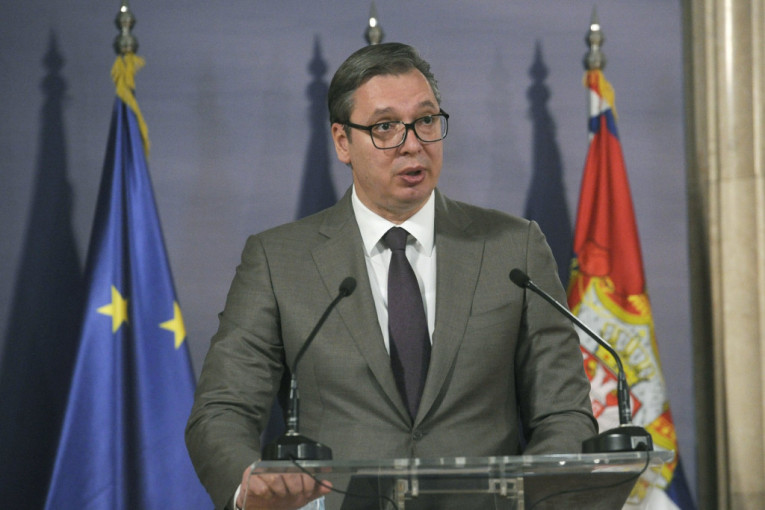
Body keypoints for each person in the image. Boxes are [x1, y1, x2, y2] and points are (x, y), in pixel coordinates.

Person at [186, 42, 597, 510]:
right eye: (385, 127)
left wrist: (534, 498)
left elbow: (565, 414)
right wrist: (248, 487)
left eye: (426, 120)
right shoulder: (279, 261)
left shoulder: (514, 249)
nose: (412, 143)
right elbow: (223, 409)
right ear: (343, 141)